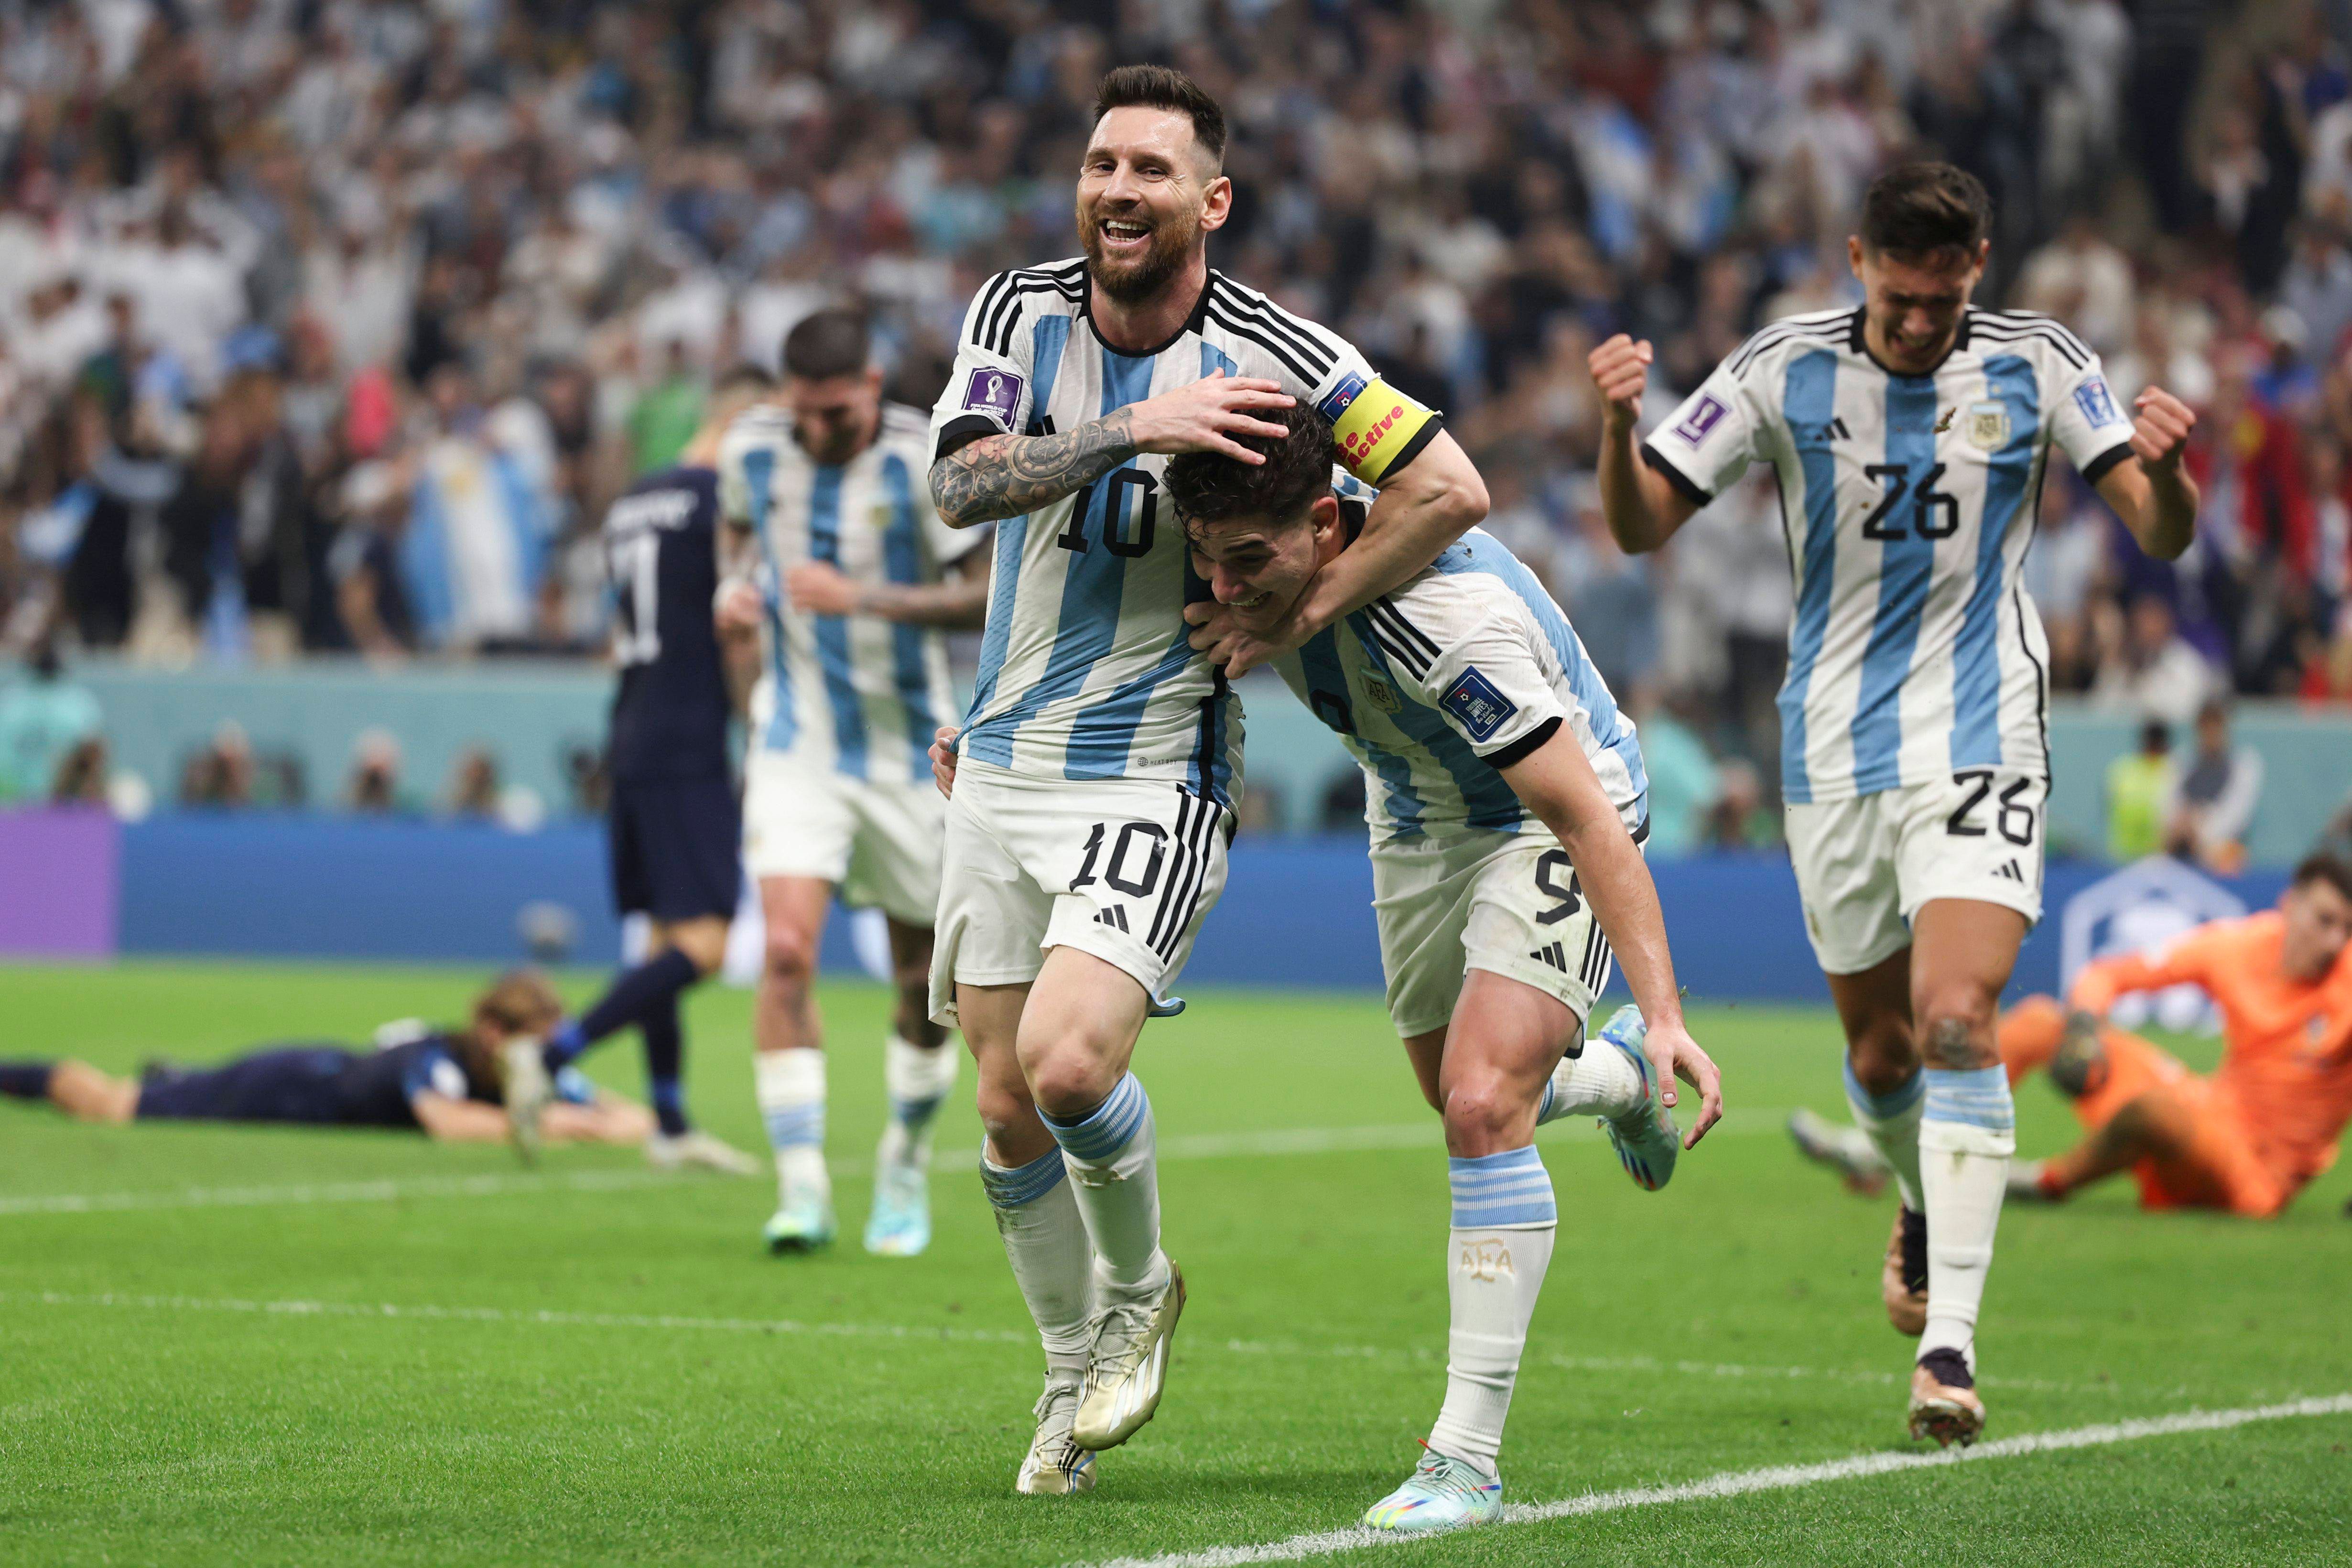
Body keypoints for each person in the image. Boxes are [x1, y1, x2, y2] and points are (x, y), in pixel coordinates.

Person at [925, 65, 1489, 1495]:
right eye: (1101, 164)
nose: (1117, 191)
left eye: (1151, 171)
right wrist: (1135, 428)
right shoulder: (1015, 311)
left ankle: (1140, 1290)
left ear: (1212, 201)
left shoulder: (1284, 353)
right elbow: (961, 483)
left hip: (1150, 763)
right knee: (1001, 1104)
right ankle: (1070, 1374)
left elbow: (1447, 489)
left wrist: (1296, 614)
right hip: (1000, 755)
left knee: (1067, 1064)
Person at [1588, 161, 2200, 1447]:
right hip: (1832, 747)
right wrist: (1616, 428)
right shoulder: (1781, 369)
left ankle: (1950, 1348)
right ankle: (1920, 1195)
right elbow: (1643, 524)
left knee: (1957, 1017)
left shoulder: (2039, 364)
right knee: (1880, 1056)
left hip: (1983, 730)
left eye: (1943, 299)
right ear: (1859, 261)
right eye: (1899, 298)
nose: (1919, 323)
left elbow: (2159, 530)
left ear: (1977, 269)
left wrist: (2173, 474)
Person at [1158, 403, 1724, 1532]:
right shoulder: (1238, 564)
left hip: (1550, 815)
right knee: (1457, 1091)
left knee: (1479, 1100)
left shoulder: (1447, 620)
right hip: (1415, 813)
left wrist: (1665, 1010)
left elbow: (1584, 816)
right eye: (1209, 558)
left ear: (1328, 524)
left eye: (1249, 560)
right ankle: (1618, 1080)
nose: (1223, 585)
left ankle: (1464, 1460)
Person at [714, 309, 989, 1257]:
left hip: (914, 749)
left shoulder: (926, 456)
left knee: (922, 983)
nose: (815, 430)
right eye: (803, 412)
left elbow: (986, 594)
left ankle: (903, 1162)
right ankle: (802, 1189)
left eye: (833, 413)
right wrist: (733, 589)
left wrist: (860, 598)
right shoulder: (752, 448)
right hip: (796, 743)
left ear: (871, 387)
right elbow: (736, 536)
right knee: (788, 952)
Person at [502, 367, 774, 1176]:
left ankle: (670, 1123)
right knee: (707, 944)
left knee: (659, 936)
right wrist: (756, 725)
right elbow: (734, 630)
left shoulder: (632, 503)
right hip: (689, 737)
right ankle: (552, 1054)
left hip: (630, 728)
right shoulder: (722, 506)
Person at [2003, 851, 2352, 1215]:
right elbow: (2107, 974)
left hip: (2255, 1177)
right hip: (2209, 1113)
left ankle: (2043, 1181)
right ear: (2290, 905)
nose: (2334, 941)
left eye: (2347, 929)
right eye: (2324, 920)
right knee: (2038, 1022)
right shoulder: (2240, 945)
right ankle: (1964, 1149)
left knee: (2156, 1111)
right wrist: (2083, 1028)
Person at [0, 972, 650, 1145]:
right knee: (110, 1106)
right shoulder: (434, 1058)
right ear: (489, 1031)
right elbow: (449, 1123)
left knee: (154, 1090)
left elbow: (633, 1118)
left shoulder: (536, 1071)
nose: (544, 1055)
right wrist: (557, 1123)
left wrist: (590, 1119)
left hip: (315, 1078)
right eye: (532, 1039)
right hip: (288, 1086)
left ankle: (172, 1077)